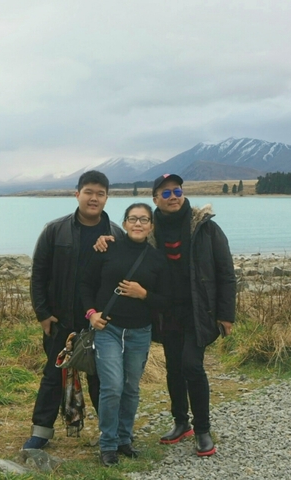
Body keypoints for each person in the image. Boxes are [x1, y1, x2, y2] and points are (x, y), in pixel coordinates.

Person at [95, 173, 237, 457]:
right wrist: (105, 238)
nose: (173, 197)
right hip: (165, 311)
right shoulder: (150, 228)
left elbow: (225, 272)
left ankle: (203, 430)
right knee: (174, 367)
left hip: (199, 311)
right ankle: (181, 422)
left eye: (177, 191)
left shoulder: (205, 228)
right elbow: (128, 244)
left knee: (192, 366)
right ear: (155, 199)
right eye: (166, 193)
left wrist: (226, 314)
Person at [23, 170, 123, 450]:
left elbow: (124, 276)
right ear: (77, 194)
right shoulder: (55, 230)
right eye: (89, 192)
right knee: (53, 377)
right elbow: (39, 274)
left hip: (99, 322)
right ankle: (41, 432)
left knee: (101, 379)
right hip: (60, 319)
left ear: (106, 198)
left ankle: (110, 435)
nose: (94, 198)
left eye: (100, 193)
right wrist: (43, 314)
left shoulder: (115, 234)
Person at [81, 203, 171, 467]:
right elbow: (85, 284)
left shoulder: (156, 259)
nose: (138, 223)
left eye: (144, 219)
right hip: (107, 329)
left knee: (131, 388)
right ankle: (107, 444)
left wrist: (143, 294)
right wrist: (91, 314)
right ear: (125, 223)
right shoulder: (106, 248)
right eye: (133, 218)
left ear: (151, 226)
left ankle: (124, 439)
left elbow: (167, 300)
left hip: (139, 332)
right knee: (112, 386)